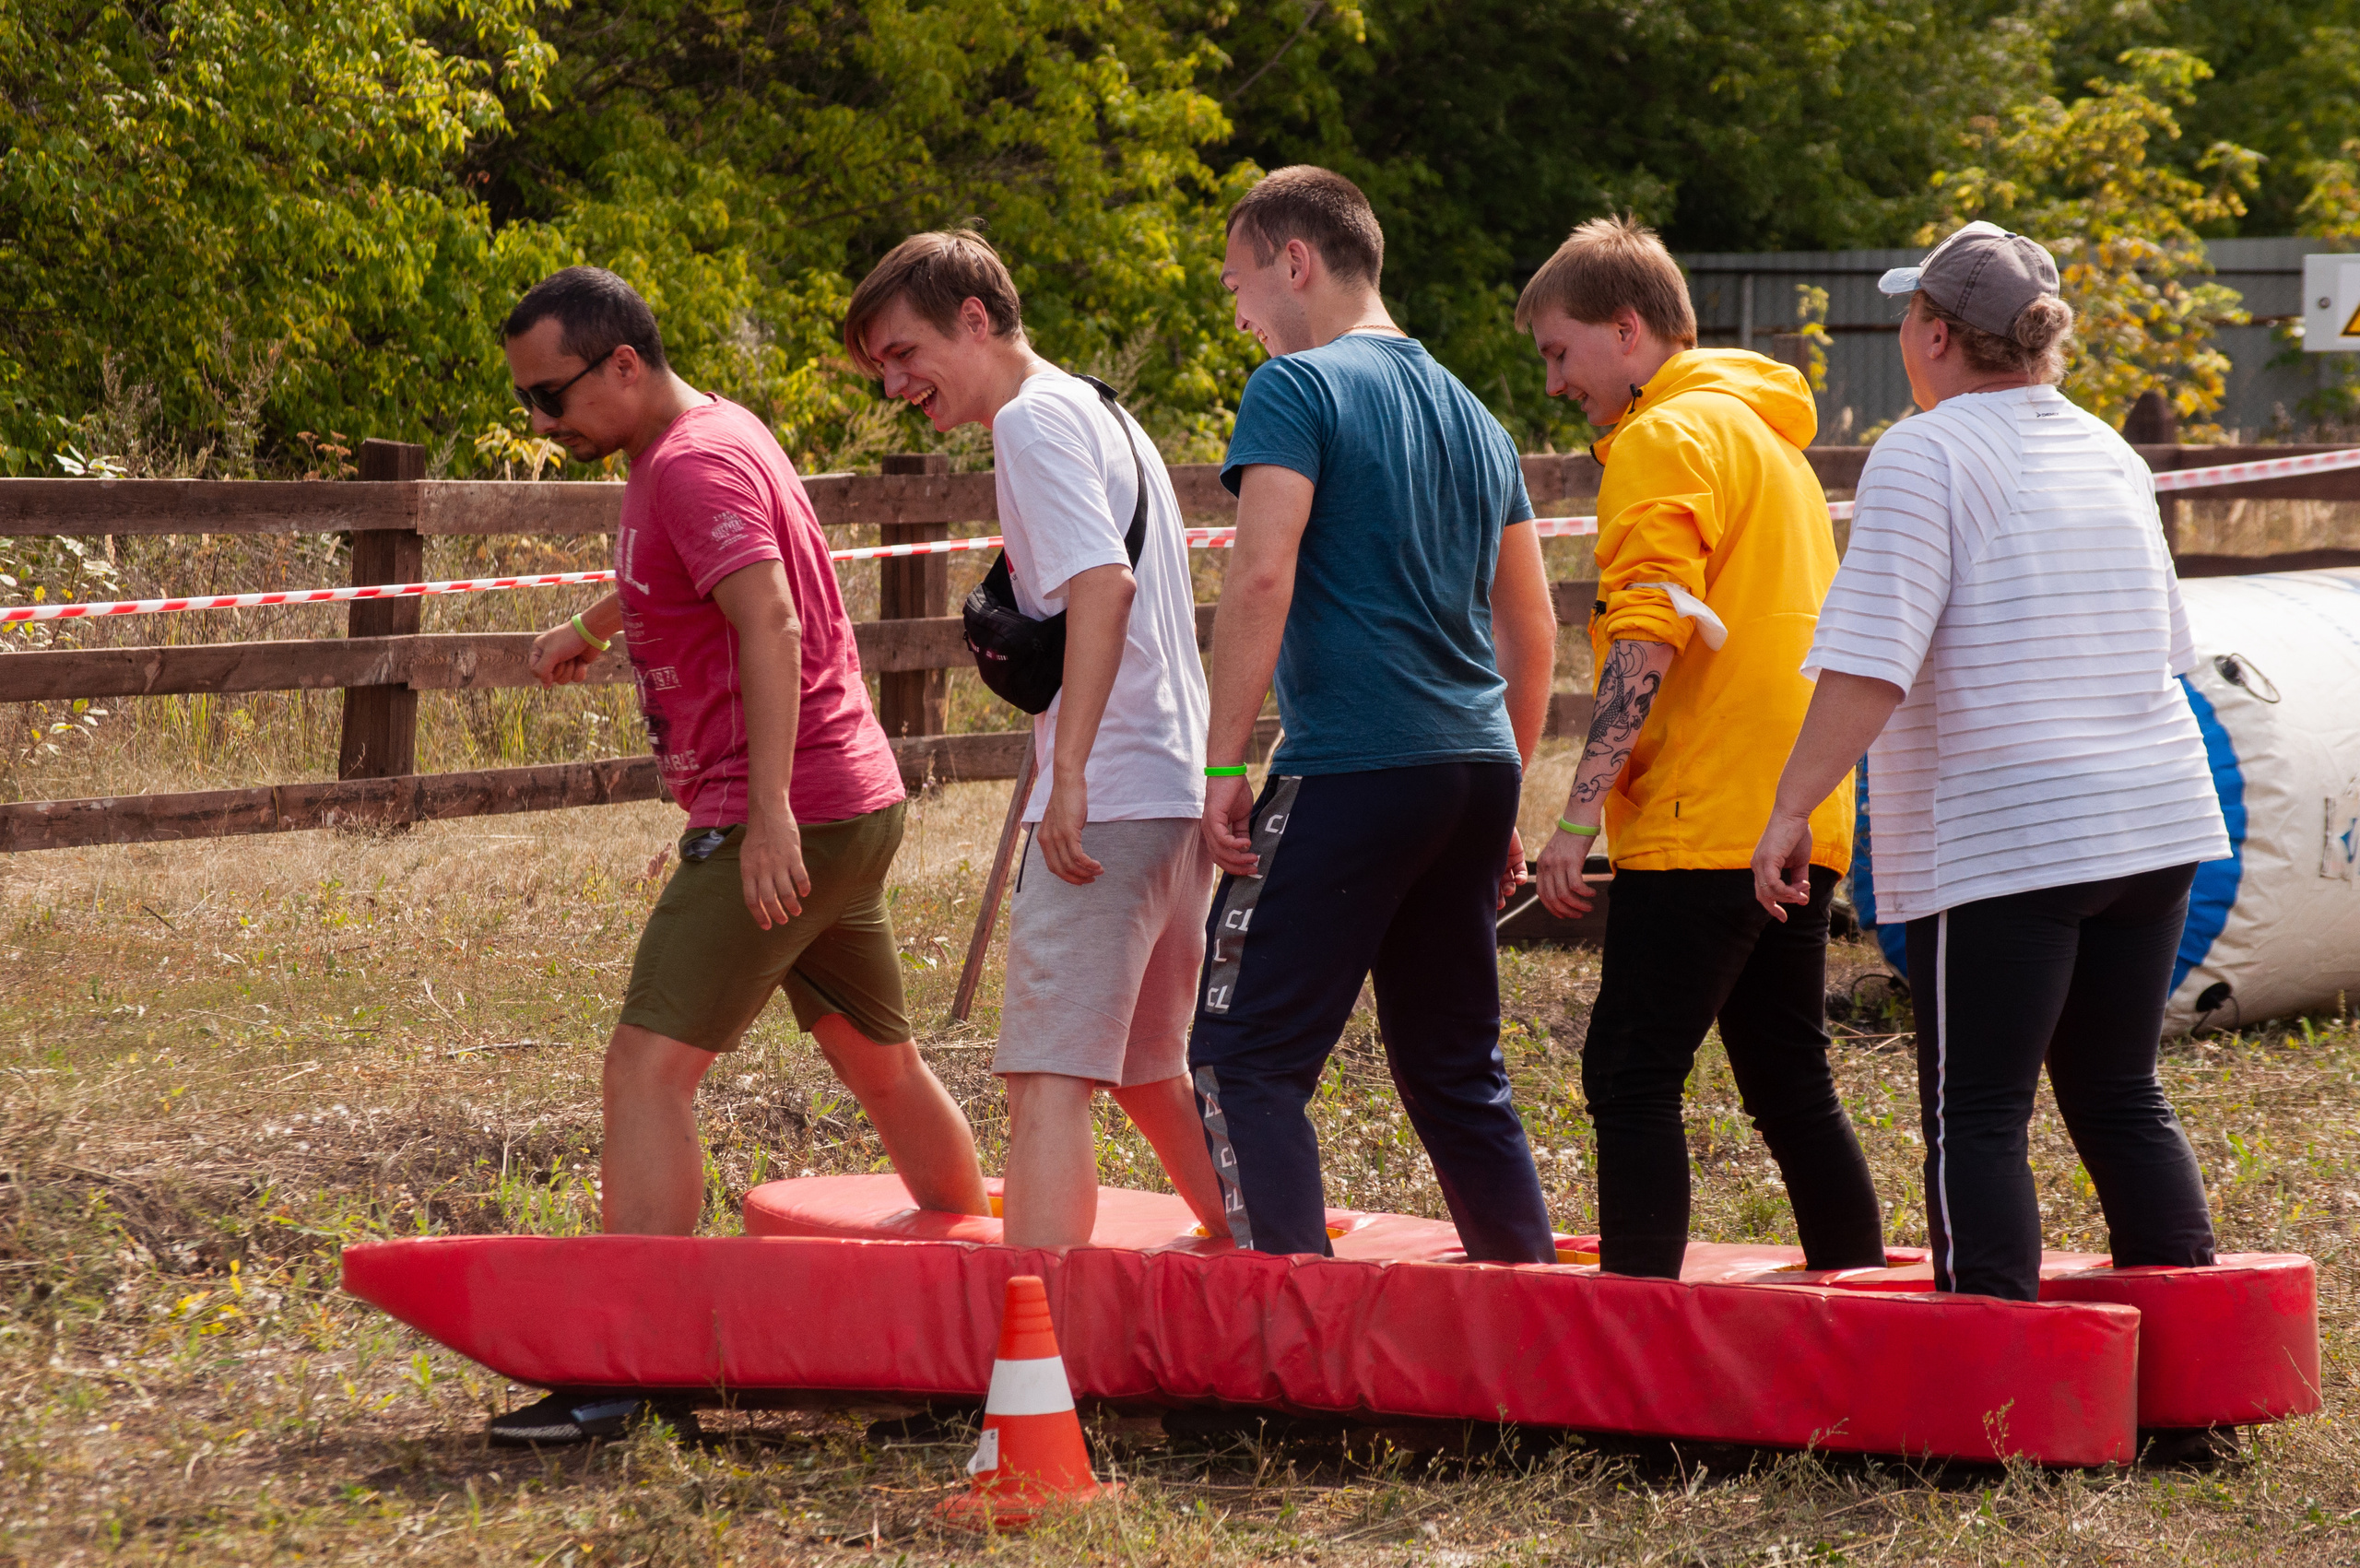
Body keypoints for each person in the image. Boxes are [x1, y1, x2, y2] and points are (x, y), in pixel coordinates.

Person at [493, 265, 989, 1444]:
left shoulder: (691, 460)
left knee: (644, 1075)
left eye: (550, 397)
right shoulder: (712, 433)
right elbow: (693, 572)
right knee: (882, 1067)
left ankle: (630, 1368)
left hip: (786, 817)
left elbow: (766, 615)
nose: (541, 424)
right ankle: (984, 1306)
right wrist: (591, 626)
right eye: (526, 404)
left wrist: (763, 812)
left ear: (623, 363)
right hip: (853, 804)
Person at [1751, 221, 2228, 1305]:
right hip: (2154, 821)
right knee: (2117, 1091)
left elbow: (1871, 662)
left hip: (2011, 838)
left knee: (1975, 1110)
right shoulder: (2107, 449)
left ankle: (1992, 1383)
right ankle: (2200, 1360)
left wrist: (1790, 807)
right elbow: (2166, 648)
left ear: (1930, 334)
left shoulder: (1923, 452)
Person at [1189, 166, 1561, 1262]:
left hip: (1355, 765)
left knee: (1241, 1054)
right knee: (1454, 1067)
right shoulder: (1475, 415)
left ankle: (1285, 1343)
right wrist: (1502, 794)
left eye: (1236, 283)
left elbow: (1261, 579)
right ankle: (1530, 1321)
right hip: (1472, 768)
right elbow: (1531, 627)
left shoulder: (1296, 391)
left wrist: (1222, 770)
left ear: (1292, 260)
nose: (1241, 314)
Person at [841, 230, 1230, 1247]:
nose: (894, 386)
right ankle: (1259, 1258)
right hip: (1170, 785)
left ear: (975, 317)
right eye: (880, 367)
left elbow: (1104, 586)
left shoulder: (1031, 424)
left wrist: (1069, 781)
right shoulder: (1099, 407)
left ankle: (1034, 1357)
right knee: (1149, 1068)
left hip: (1110, 792)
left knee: (1044, 1081)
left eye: (903, 352)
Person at [1521, 217, 1885, 1280]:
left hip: (1703, 819)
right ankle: (1860, 1310)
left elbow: (1645, 632)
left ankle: (1635, 1355)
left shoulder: (1662, 439)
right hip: (1799, 814)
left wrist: (1575, 815)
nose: (1554, 383)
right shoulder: (1768, 441)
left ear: (1625, 331)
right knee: (1787, 1082)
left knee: (1629, 1074)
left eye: (1559, 352)